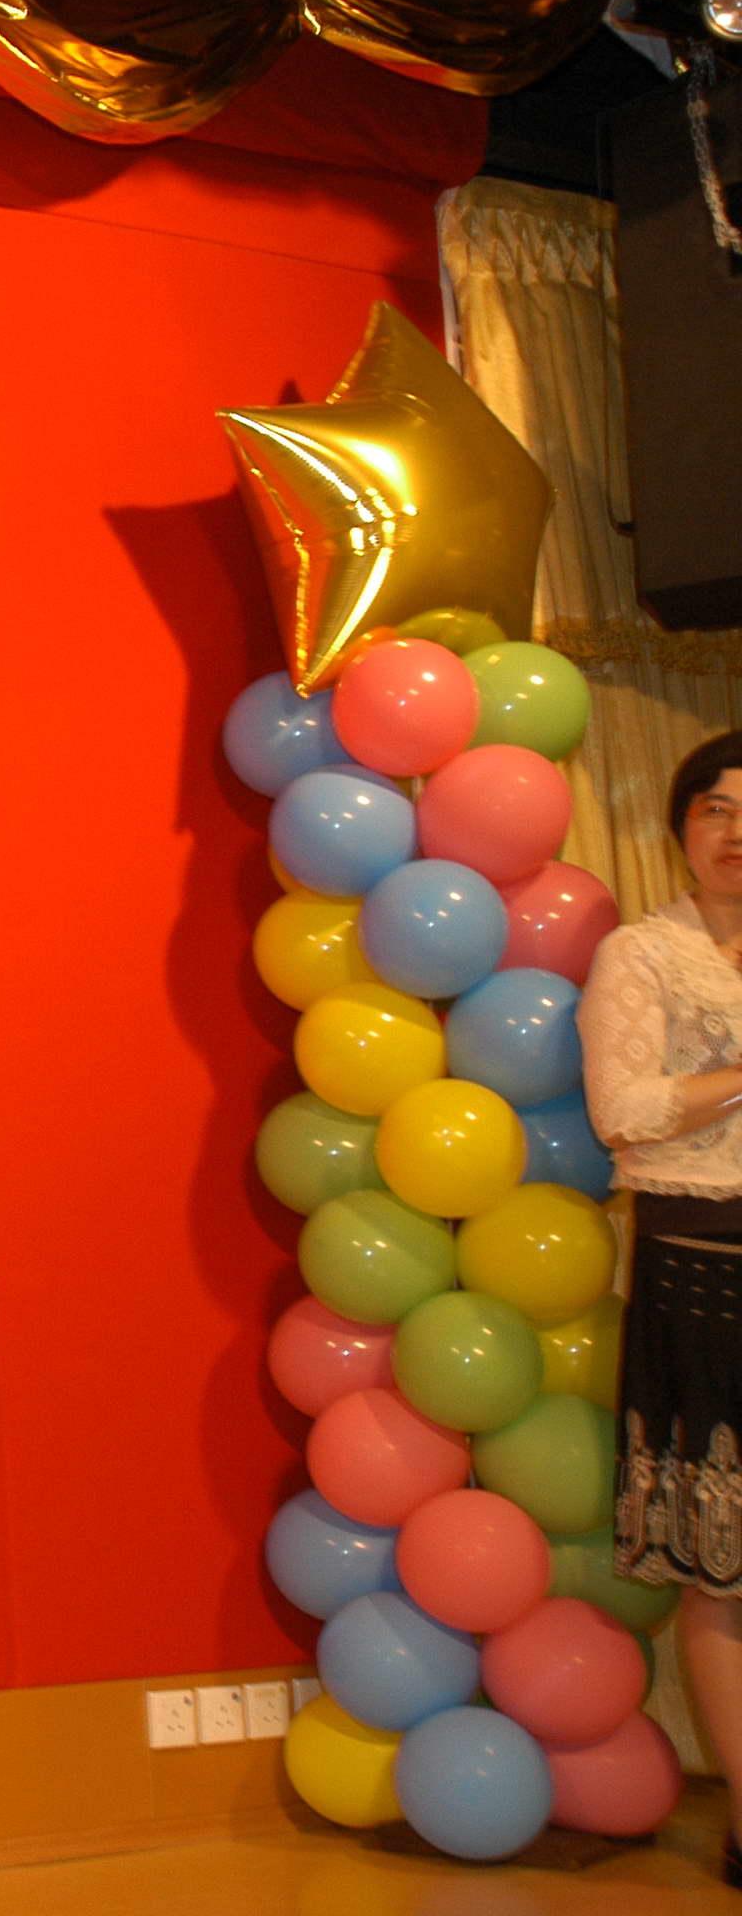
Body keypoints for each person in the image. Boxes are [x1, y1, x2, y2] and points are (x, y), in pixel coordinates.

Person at [581, 727, 742, 1883]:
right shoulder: (640, 953)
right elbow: (622, 1110)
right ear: (679, 828)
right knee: (721, 1563)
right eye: (713, 809)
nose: (735, 832)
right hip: (702, 1272)